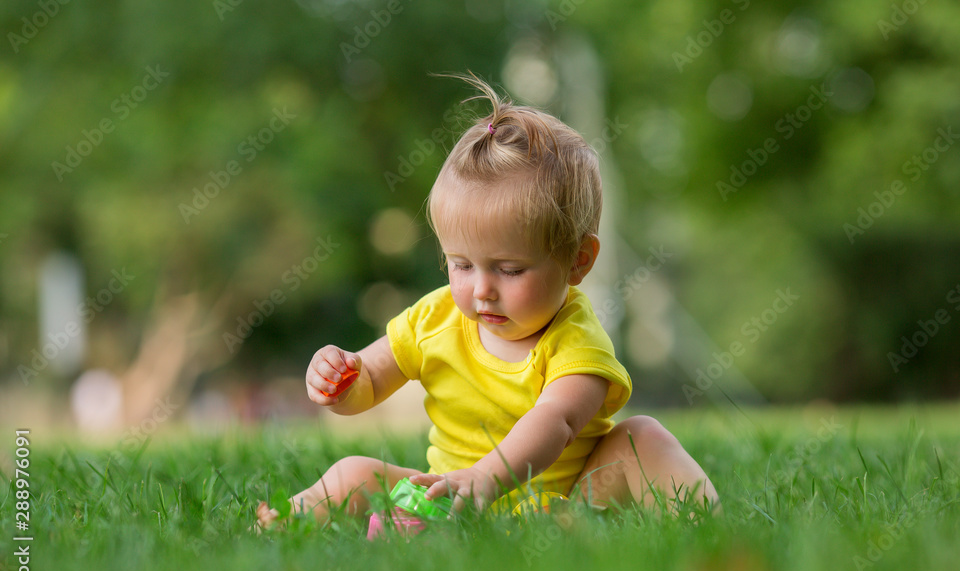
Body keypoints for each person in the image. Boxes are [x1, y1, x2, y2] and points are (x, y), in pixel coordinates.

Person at [256, 74, 718, 529]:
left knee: (643, 438)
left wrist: (486, 477)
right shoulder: (436, 317)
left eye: (510, 269)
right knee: (355, 472)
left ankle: (707, 526)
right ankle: (284, 525)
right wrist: (341, 379)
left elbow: (554, 420)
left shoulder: (576, 341)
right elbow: (372, 380)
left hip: (561, 512)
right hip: (447, 498)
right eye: (461, 265)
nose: (481, 289)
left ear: (578, 261)